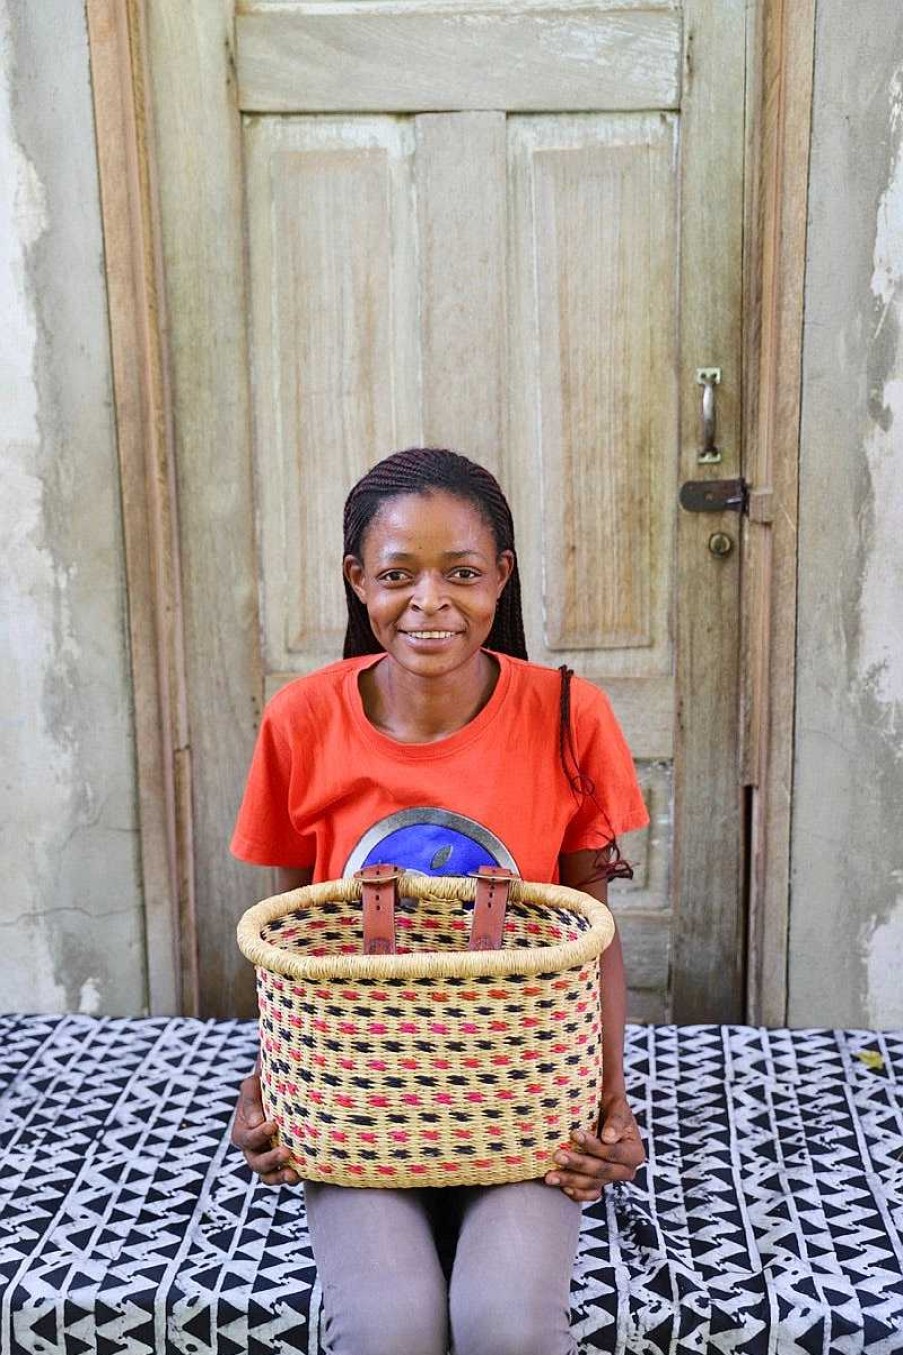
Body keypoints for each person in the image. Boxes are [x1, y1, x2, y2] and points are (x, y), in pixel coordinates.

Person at [230, 447, 648, 1355]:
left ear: (501, 576)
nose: (429, 602)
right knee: (390, 1326)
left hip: (526, 1100)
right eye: (395, 575)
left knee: (504, 1323)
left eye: (461, 572)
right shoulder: (299, 721)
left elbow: (593, 932)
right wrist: (269, 1088)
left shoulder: (572, 717)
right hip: (358, 1104)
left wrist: (610, 1106)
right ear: (356, 581)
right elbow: (291, 950)